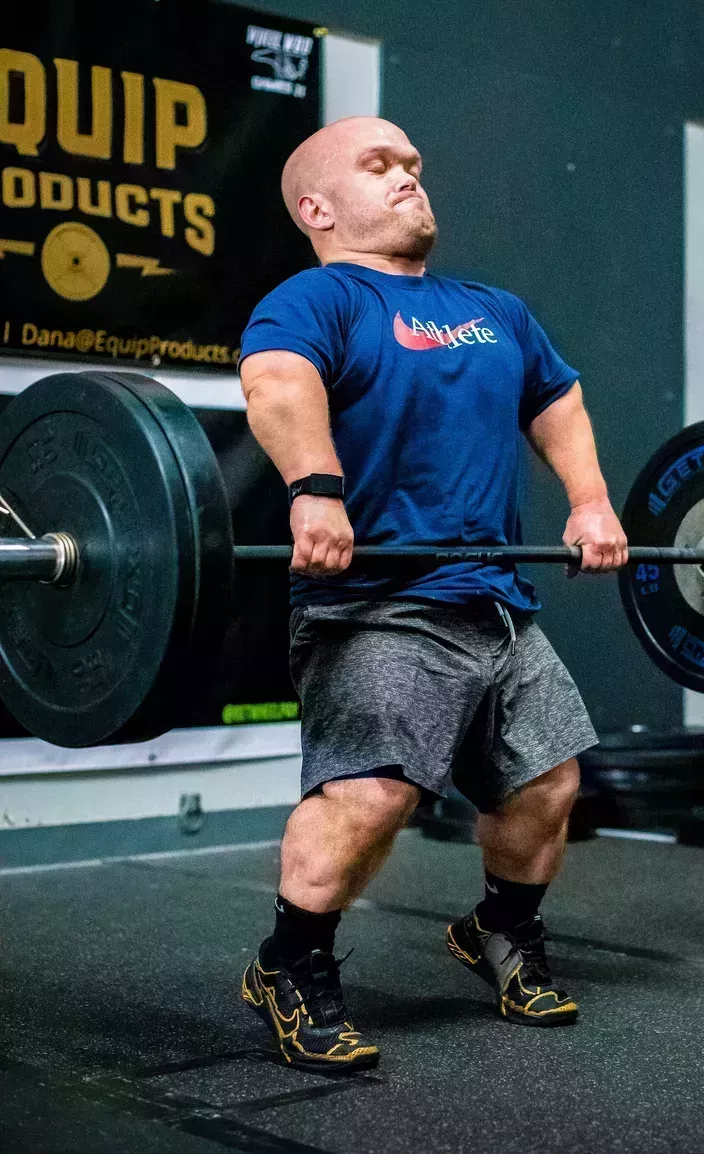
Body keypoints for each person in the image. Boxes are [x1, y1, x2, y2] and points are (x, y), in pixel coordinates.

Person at [237, 116, 628, 1071]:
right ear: (316, 207)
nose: (410, 176)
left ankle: (498, 932)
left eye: (412, 162)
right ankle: (288, 965)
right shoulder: (314, 299)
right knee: (371, 794)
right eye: (381, 165)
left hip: (495, 600)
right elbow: (276, 381)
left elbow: (556, 400)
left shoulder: (495, 307)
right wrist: (316, 490)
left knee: (546, 783)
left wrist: (589, 502)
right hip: (379, 601)